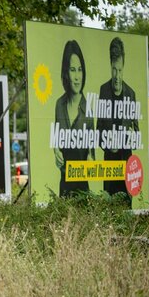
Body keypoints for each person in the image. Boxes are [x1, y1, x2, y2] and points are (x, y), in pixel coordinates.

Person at [96, 37, 137, 198]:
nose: (117, 75)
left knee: (126, 203)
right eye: (114, 69)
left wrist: (129, 137)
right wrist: (106, 144)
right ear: (110, 65)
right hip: (110, 163)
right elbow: (98, 128)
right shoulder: (103, 90)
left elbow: (136, 129)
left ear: (123, 67)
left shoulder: (131, 93)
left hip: (127, 162)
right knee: (109, 205)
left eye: (120, 70)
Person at [53, 40, 93, 196]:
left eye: (80, 70)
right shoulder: (59, 104)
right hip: (64, 184)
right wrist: (55, 151)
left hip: (82, 185)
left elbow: (92, 150)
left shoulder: (88, 107)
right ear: (66, 73)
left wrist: (91, 159)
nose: (77, 77)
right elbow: (56, 139)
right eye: (72, 70)